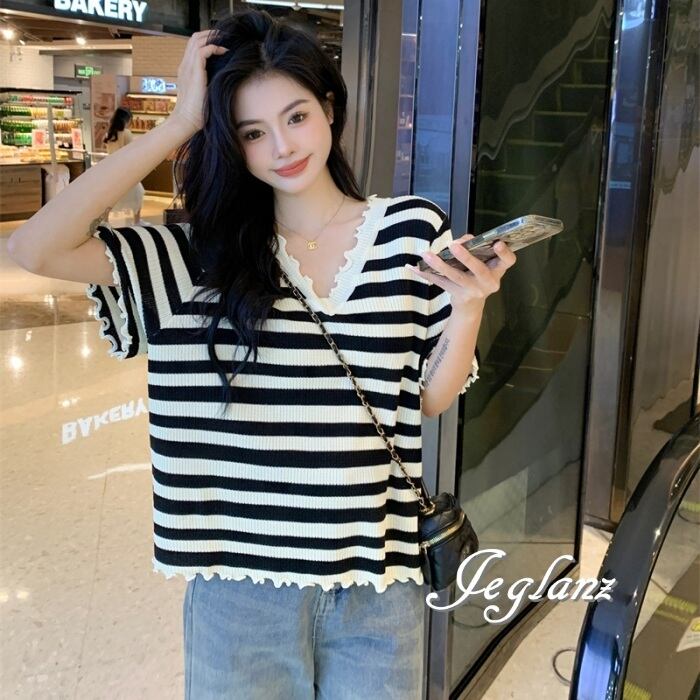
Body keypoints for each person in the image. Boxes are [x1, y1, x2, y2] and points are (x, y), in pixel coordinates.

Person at [6, 8, 516, 699]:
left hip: (376, 583)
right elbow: (34, 247)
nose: (281, 146)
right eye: (251, 132)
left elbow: (426, 398)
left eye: (296, 117)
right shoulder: (197, 258)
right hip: (240, 590)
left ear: (328, 108)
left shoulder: (410, 232)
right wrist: (179, 123)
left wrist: (469, 306)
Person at [102, 106, 145, 225]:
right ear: (127, 119)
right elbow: (131, 152)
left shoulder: (109, 135)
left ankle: (105, 220)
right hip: (125, 170)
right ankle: (137, 220)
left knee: (111, 197)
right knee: (138, 194)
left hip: (111, 170)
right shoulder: (126, 133)